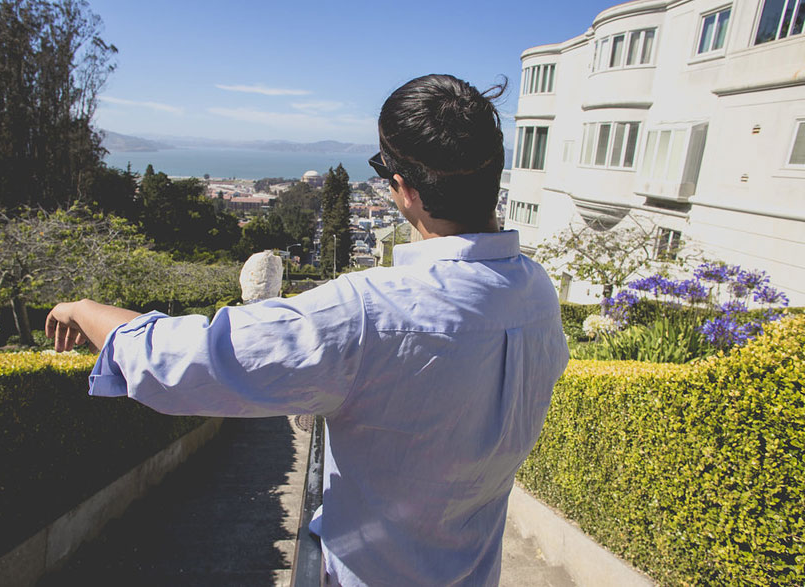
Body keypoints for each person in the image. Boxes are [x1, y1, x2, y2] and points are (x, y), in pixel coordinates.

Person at [47, 74, 569, 586]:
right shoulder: (539, 296)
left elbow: (187, 360)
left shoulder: (370, 311)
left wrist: (85, 309)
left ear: (403, 189)